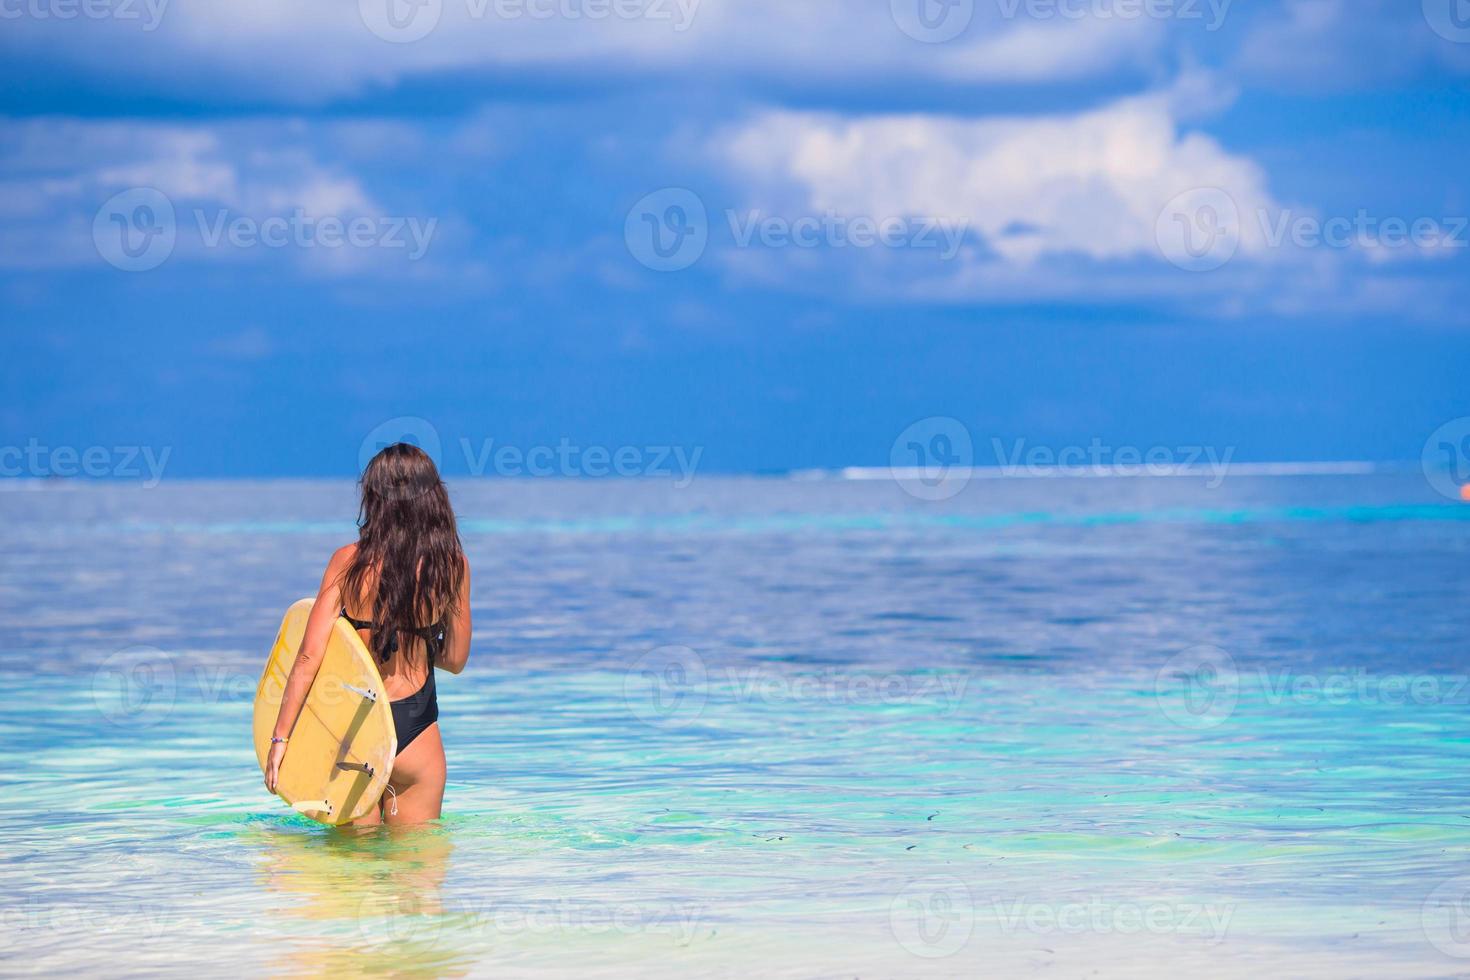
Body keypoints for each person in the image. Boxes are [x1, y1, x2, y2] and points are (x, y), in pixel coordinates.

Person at [264, 443, 470, 824]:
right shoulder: (452, 566)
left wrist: (280, 739)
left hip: (356, 731)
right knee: (418, 875)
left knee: (352, 877)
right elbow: (456, 660)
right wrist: (420, 640)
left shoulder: (348, 561)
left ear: (375, 497)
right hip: (419, 735)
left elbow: (309, 657)